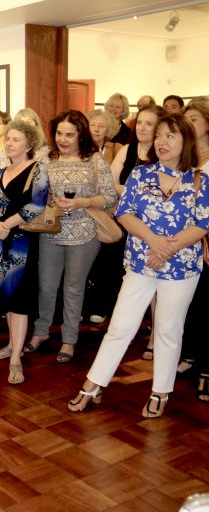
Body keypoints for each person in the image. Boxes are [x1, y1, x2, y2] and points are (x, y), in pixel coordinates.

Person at [68, 113, 209, 418]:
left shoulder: (199, 180)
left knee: (169, 331)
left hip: (181, 268)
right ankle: (93, 384)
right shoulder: (141, 174)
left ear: (185, 140)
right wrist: (155, 242)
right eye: (159, 135)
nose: (161, 141)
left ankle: (161, 391)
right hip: (141, 263)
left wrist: (167, 248)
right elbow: (125, 213)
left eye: (170, 135)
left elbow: (202, 224)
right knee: (120, 326)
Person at [24, 110, 117, 362]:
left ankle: (69, 339)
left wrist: (82, 202)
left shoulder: (95, 160)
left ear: (81, 135)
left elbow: (110, 197)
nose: (63, 139)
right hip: (51, 231)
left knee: (73, 288)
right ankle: (41, 332)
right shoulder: (46, 160)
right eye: (59, 134)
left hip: (85, 232)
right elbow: (34, 194)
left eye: (69, 135)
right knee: (46, 286)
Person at [0, 121, 49, 384]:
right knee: (7, 297)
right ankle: (13, 345)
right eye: (8, 139)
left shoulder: (37, 169)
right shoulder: (0, 171)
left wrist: (6, 225)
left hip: (22, 243)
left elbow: (37, 204)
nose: (10, 143)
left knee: (20, 300)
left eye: (16, 139)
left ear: (29, 144)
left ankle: (15, 360)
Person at [87, 105, 163, 327]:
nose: (142, 127)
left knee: (146, 274)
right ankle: (106, 307)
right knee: (110, 262)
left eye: (149, 124)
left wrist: (127, 190)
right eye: (139, 122)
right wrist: (133, 191)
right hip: (122, 217)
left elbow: (162, 192)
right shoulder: (127, 150)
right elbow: (108, 185)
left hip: (152, 223)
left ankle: (148, 320)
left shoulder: (163, 154)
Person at [179, 101, 209, 391]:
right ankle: (189, 354)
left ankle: (207, 368)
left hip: (206, 241)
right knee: (189, 302)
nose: (188, 124)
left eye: (195, 119)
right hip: (183, 243)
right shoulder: (182, 158)